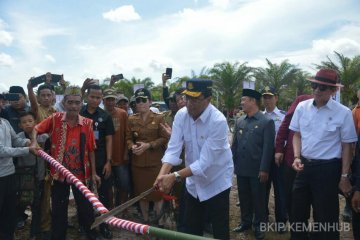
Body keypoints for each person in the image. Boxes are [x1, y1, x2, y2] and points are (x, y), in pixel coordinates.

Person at [155, 79, 233, 239]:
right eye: (187, 98)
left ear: (208, 99)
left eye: (195, 99)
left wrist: (175, 176)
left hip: (216, 181)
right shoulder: (181, 116)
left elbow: (204, 163)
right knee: (190, 229)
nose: (189, 104)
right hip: (193, 183)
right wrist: (162, 175)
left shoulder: (218, 121)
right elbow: (173, 148)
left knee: (219, 229)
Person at [290, 69, 357, 240]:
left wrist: (344, 176)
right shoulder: (302, 107)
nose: (317, 90)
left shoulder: (343, 112)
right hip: (303, 166)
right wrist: (297, 157)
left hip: (327, 169)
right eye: (314, 85)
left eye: (323, 87)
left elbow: (347, 146)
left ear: (333, 91)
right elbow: (296, 134)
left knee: (325, 216)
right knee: (297, 212)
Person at [33, 86, 101, 240]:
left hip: (81, 174)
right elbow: (36, 129)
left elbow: (91, 150)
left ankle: (90, 233)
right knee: (58, 208)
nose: (73, 106)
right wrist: (33, 142)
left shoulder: (88, 123)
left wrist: (95, 173)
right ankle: (58, 236)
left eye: (77, 103)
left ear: (81, 104)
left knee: (85, 208)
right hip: (59, 174)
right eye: (70, 102)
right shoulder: (55, 118)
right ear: (64, 102)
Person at [232, 88, 275, 240]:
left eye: (244, 100)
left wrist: (264, 169)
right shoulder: (240, 121)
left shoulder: (266, 122)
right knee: (244, 197)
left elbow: (268, 148)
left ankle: (259, 226)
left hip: (257, 169)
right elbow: (235, 146)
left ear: (252, 101)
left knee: (259, 199)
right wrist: (232, 164)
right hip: (242, 168)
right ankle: (246, 222)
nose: (242, 103)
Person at [126, 88, 168, 224]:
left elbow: (164, 138)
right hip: (138, 164)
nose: (141, 103)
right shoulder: (131, 119)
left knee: (157, 194)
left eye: (144, 100)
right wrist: (131, 146)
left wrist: (149, 145)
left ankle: (159, 224)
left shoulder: (159, 118)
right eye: (138, 101)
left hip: (155, 163)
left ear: (150, 102)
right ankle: (145, 222)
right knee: (141, 195)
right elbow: (127, 138)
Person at [79, 84, 114, 239]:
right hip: (81, 161)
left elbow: (108, 140)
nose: (95, 100)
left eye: (98, 97)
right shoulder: (79, 113)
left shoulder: (105, 116)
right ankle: (86, 226)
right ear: (87, 96)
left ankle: (105, 225)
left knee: (104, 195)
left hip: (101, 161)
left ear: (101, 99)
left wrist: (108, 161)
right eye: (92, 97)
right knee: (84, 196)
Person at [274, 95, 313, 226]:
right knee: (291, 195)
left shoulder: (332, 108)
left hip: (314, 161)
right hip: (292, 159)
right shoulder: (302, 100)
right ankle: (296, 226)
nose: (318, 90)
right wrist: (279, 149)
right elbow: (285, 126)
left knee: (310, 197)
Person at [0, 110, 38, 240]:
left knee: (9, 210)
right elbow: (2, 150)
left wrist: (27, 142)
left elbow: (15, 140)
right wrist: (28, 149)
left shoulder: (5, 122)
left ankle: (7, 236)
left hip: (9, 173)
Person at [27, 82, 57, 238]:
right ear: (38, 97)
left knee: (56, 191)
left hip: (56, 155)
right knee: (44, 193)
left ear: (53, 97)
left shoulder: (56, 111)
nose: (46, 98)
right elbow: (32, 102)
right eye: (43, 95)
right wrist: (30, 89)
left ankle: (55, 220)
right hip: (42, 158)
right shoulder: (36, 110)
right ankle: (45, 226)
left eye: (48, 95)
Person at [262, 86, 287, 232]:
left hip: (279, 158)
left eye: (270, 97)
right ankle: (263, 218)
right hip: (264, 158)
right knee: (263, 190)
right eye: (264, 97)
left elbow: (287, 137)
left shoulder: (283, 116)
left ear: (276, 98)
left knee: (280, 191)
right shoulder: (260, 116)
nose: (267, 100)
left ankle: (281, 221)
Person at [102, 88, 130, 208]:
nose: (110, 102)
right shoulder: (100, 114)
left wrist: (126, 152)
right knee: (107, 187)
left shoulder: (122, 114)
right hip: (104, 159)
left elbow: (127, 135)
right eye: (107, 99)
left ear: (115, 101)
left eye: (112, 99)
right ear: (103, 101)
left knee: (124, 184)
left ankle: (122, 208)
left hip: (120, 157)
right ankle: (111, 208)